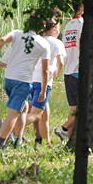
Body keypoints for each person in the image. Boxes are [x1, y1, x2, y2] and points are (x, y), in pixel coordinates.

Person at [0, 12, 51, 149]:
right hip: (23, 81)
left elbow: (2, 40)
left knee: (24, 108)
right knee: (14, 113)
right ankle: (0, 143)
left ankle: (19, 139)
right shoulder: (43, 44)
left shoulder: (17, 33)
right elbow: (45, 70)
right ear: (42, 27)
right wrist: (43, 91)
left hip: (9, 79)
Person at [27, 15, 65, 145]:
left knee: (44, 114)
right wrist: (57, 71)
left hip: (31, 79)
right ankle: (8, 126)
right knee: (36, 114)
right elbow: (61, 62)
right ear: (53, 29)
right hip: (43, 82)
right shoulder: (57, 43)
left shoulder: (38, 40)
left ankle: (45, 141)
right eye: (58, 27)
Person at [54, 2, 83, 142]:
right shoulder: (83, 24)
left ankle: (68, 138)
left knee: (73, 107)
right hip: (79, 69)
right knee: (82, 107)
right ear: (82, 8)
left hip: (68, 70)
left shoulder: (67, 27)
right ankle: (63, 128)